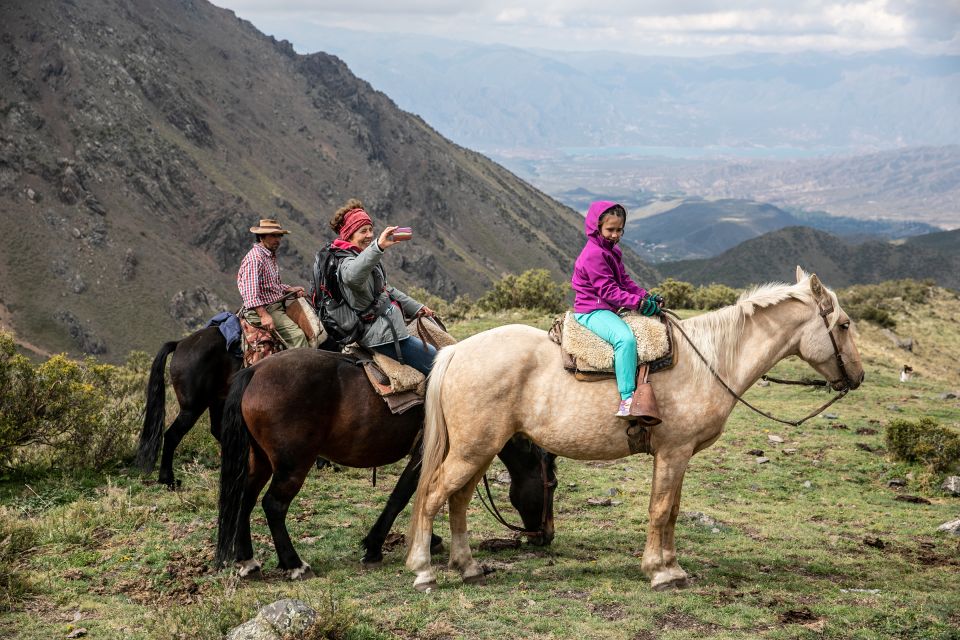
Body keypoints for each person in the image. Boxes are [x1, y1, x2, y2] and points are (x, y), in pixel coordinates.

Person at [571, 201, 663, 417]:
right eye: (610, 230)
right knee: (625, 339)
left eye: (619, 230)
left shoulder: (612, 250)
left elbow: (624, 281)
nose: (615, 234)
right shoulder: (594, 254)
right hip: (592, 310)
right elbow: (609, 291)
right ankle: (627, 398)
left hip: (606, 307)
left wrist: (646, 296)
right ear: (597, 227)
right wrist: (639, 305)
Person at [328, 199, 437, 374]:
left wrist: (418, 308)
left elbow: (386, 290)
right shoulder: (345, 261)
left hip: (385, 327)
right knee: (436, 360)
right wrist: (378, 246)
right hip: (380, 335)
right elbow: (352, 277)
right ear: (349, 235)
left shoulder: (361, 256)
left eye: (371, 229)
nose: (369, 235)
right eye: (363, 231)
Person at [237, 218, 309, 349]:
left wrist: (289, 289)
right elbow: (250, 294)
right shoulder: (255, 259)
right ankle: (300, 369)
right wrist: (264, 316)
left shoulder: (268, 255)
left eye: (279, 236)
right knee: (298, 336)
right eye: (273, 236)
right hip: (264, 310)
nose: (278, 240)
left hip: (274, 306)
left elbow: (270, 285)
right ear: (261, 237)